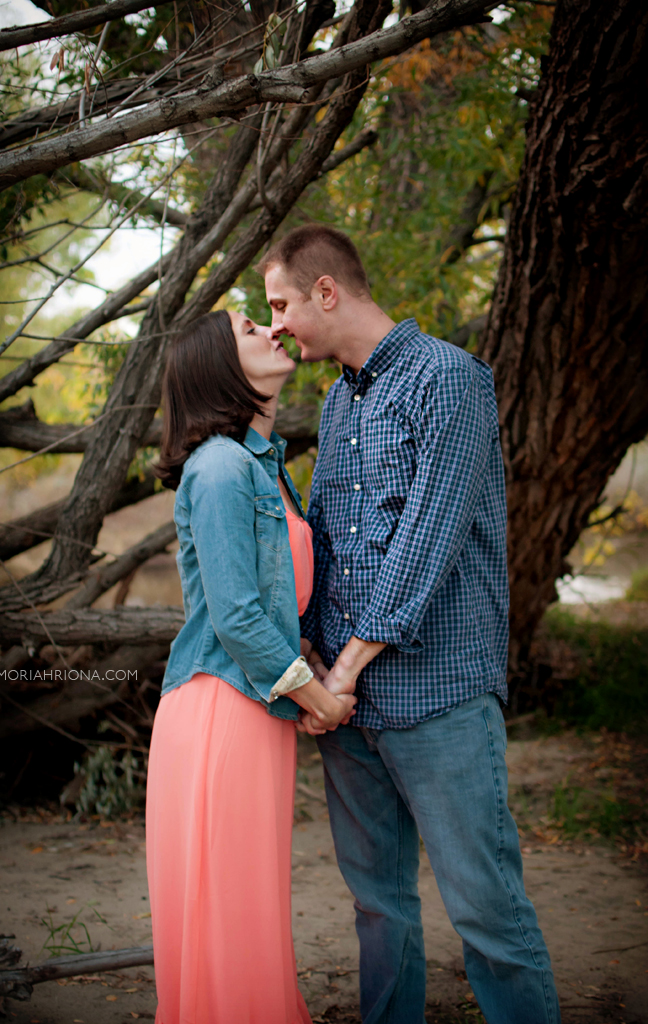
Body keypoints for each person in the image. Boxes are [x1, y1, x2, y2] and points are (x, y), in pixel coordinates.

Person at [260, 225, 561, 1024]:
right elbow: (327, 538)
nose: (279, 323)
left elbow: (427, 541)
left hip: (439, 700)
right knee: (377, 912)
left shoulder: (449, 380)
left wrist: (343, 673)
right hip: (348, 710)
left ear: (327, 291)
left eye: (281, 303)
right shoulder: (338, 398)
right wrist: (318, 662)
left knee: (487, 913)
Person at [145, 308, 356, 1024]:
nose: (273, 331)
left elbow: (275, 608)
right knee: (229, 907)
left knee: (249, 902)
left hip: (255, 706)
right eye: (249, 329)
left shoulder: (261, 467)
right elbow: (235, 616)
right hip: (219, 712)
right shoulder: (220, 468)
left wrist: (312, 669)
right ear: (220, 368)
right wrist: (318, 702)